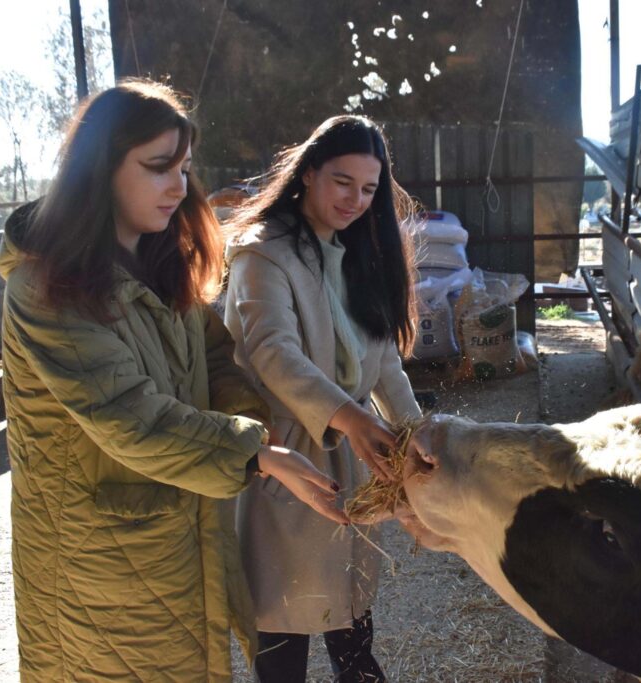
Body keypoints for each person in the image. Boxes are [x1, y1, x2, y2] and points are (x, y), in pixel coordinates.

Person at [0, 79, 347, 682]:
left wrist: (255, 428)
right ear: (98, 170)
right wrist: (256, 454)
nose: (179, 187)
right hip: (97, 566)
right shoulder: (43, 291)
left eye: (183, 168)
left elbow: (216, 358)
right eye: (159, 167)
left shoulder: (163, 262)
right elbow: (129, 417)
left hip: (176, 542)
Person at [223, 115, 423, 682]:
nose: (356, 200)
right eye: (342, 182)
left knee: (352, 621)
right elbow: (273, 354)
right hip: (288, 458)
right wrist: (353, 418)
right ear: (307, 173)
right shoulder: (262, 254)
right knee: (281, 627)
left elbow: (384, 361)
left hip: (350, 462)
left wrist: (418, 437)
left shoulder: (360, 254)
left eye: (368, 188)